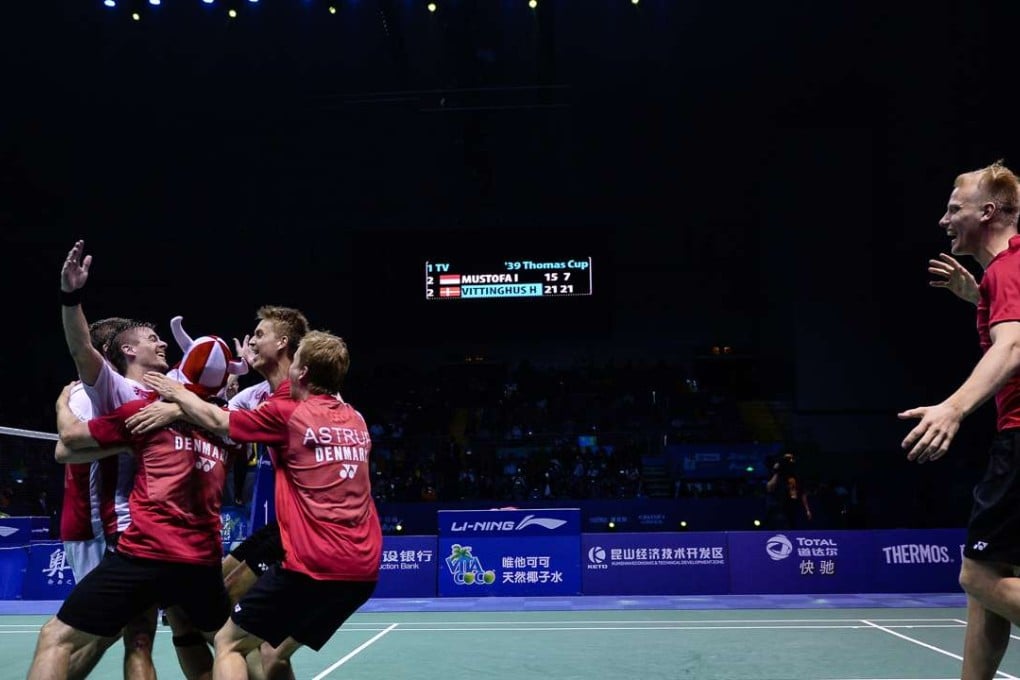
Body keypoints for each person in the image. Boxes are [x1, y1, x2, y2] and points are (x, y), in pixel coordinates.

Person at [142, 331, 381, 680]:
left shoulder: (288, 415)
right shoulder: (357, 421)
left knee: (229, 643)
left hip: (314, 564)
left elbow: (217, 421)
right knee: (273, 655)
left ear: (301, 373)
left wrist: (176, 392)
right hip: (363, 571)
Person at [27, 333, 246, 680]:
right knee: (226, 646)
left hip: (142, 549)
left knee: (60, 638)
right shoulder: (227, 428)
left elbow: (66, 442)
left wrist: (61, 405)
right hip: (200, 559)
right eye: (153, 338)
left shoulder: (146, 412)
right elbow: (216, 400)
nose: (162, 345)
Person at [899, 160, 1020, 680]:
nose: (944, 219)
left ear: (988, 211)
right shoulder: (1002, 275)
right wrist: (979, 297)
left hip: (1019, 437)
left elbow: (1013, 344)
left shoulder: (1009, 267)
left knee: (976, 576)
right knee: (992, 572)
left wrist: (953, 407)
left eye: (955, 208)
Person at [765, 452, 812, 529]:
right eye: (786, 459)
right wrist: (777, 472)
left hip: (794, 506)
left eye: (790, 458)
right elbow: (769, 488)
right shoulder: (776, 474)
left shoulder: (797, 476)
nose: (789, 461)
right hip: (779, 506)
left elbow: (803, 493)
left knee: (793, 526)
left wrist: (807, 510)